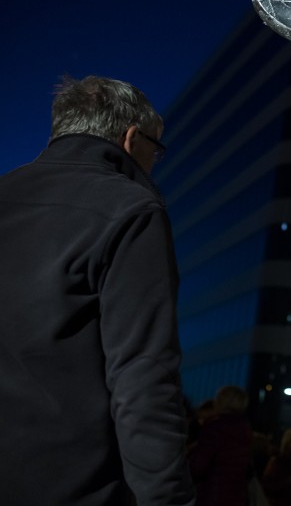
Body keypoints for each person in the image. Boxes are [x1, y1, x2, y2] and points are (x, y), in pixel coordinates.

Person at [0, 76, 193, 505]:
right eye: (155, 150)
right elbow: (142, 377)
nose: (153, 164)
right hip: (70, 487)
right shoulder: (130, 209)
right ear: (130, 139)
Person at [189, 385, 254, 506]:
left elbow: (198, 466)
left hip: (212, 494)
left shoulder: (215, 427)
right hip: (237, 495)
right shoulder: (245, 429)